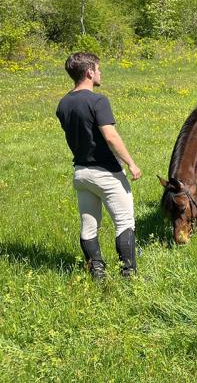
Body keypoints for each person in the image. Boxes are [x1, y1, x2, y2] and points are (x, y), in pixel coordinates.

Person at [56, 53, 142, 280]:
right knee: (124, 221)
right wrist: (131, 163)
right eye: (98, 69)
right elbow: (111, 137)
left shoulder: (63, 103)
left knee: (89, 225)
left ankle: (97, 272)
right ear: (89, 72)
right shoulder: (98, 101)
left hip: (81, 173)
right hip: (106, 172)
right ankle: (128, 274)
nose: (100, 73)